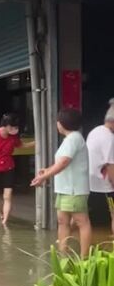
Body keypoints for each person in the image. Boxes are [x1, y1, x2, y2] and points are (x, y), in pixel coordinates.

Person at [31, 108, 91, 258]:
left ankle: (84, 258)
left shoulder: (74, 138)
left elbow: (64, 162)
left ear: (61, 123)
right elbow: (61, 162)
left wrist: (45, 176)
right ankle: (62, 254)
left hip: (74, 189)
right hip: (65, 188)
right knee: (62, 221)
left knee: (81, 221)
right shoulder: (70, 139)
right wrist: (47, 171)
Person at [86, 98, 114, 235]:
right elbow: (110, 165)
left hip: (88, 183)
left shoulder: (95, 131)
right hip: (103, 185)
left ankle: (65, 241)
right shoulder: (109, 138)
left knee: (80, 217)